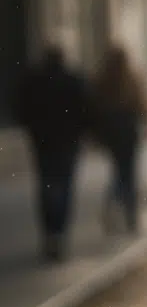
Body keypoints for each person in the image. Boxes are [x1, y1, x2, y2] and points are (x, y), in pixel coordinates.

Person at [15, 45, 90, 262]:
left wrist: (33, 129)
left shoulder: (34, 81)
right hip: (67, 143)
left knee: (47, 186)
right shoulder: (72, 80)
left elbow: (21, 107)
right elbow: (86, 109)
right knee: (64, 186)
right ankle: (59, 234)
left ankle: (50, 234)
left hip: (43, 143)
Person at [90, 46, 147, 234]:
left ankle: (112, 205)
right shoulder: (131, 79)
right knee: (129, 173)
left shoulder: (103, 80)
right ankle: (131, 218)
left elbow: (95, 108)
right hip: (129, 132)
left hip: (112, 134)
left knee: (119, 171)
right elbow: (143, 104)